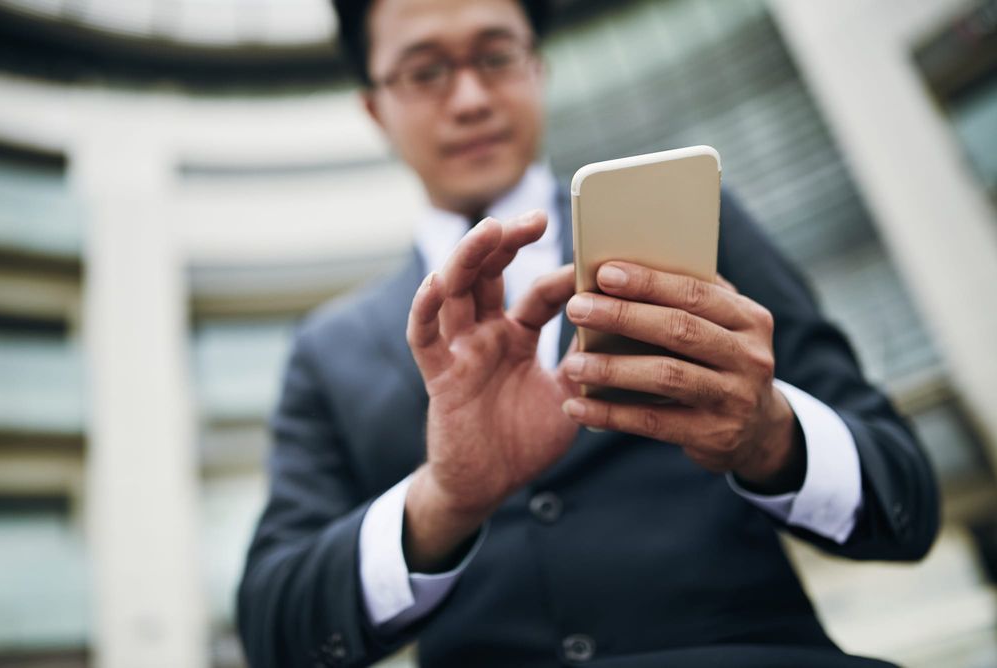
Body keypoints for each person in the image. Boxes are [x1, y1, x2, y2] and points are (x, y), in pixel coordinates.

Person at [236, 1, 939, 666]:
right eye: (426, 72)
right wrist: (442, 499)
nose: (472, 98)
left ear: (537, 66)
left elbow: (905, 499)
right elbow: (275, 629)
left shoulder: (696, 226)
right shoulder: (327, 349)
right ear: (374, 107)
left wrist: (771, 434)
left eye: (497, 55)